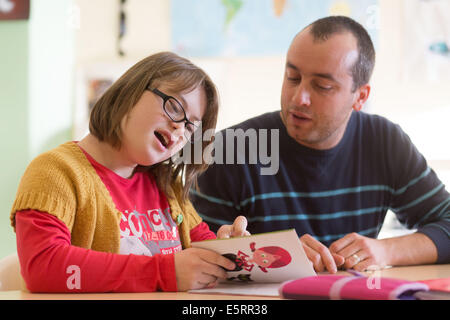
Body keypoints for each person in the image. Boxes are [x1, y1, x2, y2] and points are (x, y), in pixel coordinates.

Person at [191, 16, 450, 274]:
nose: (298, 97)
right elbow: (191, 254)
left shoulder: (384, 142)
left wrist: (384, 250)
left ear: (360, 97)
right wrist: (277, 255)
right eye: (292, 77)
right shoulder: (230, 149)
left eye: (322, 86)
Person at [10, 52, 249, 293]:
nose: (179, 129)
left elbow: (204, 251)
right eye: (175, 107)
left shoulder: (165, 185)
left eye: (190, 127)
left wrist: (230, 253)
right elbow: (43, 268)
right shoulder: (55, 171)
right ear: (131, 91)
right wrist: (163, 272)